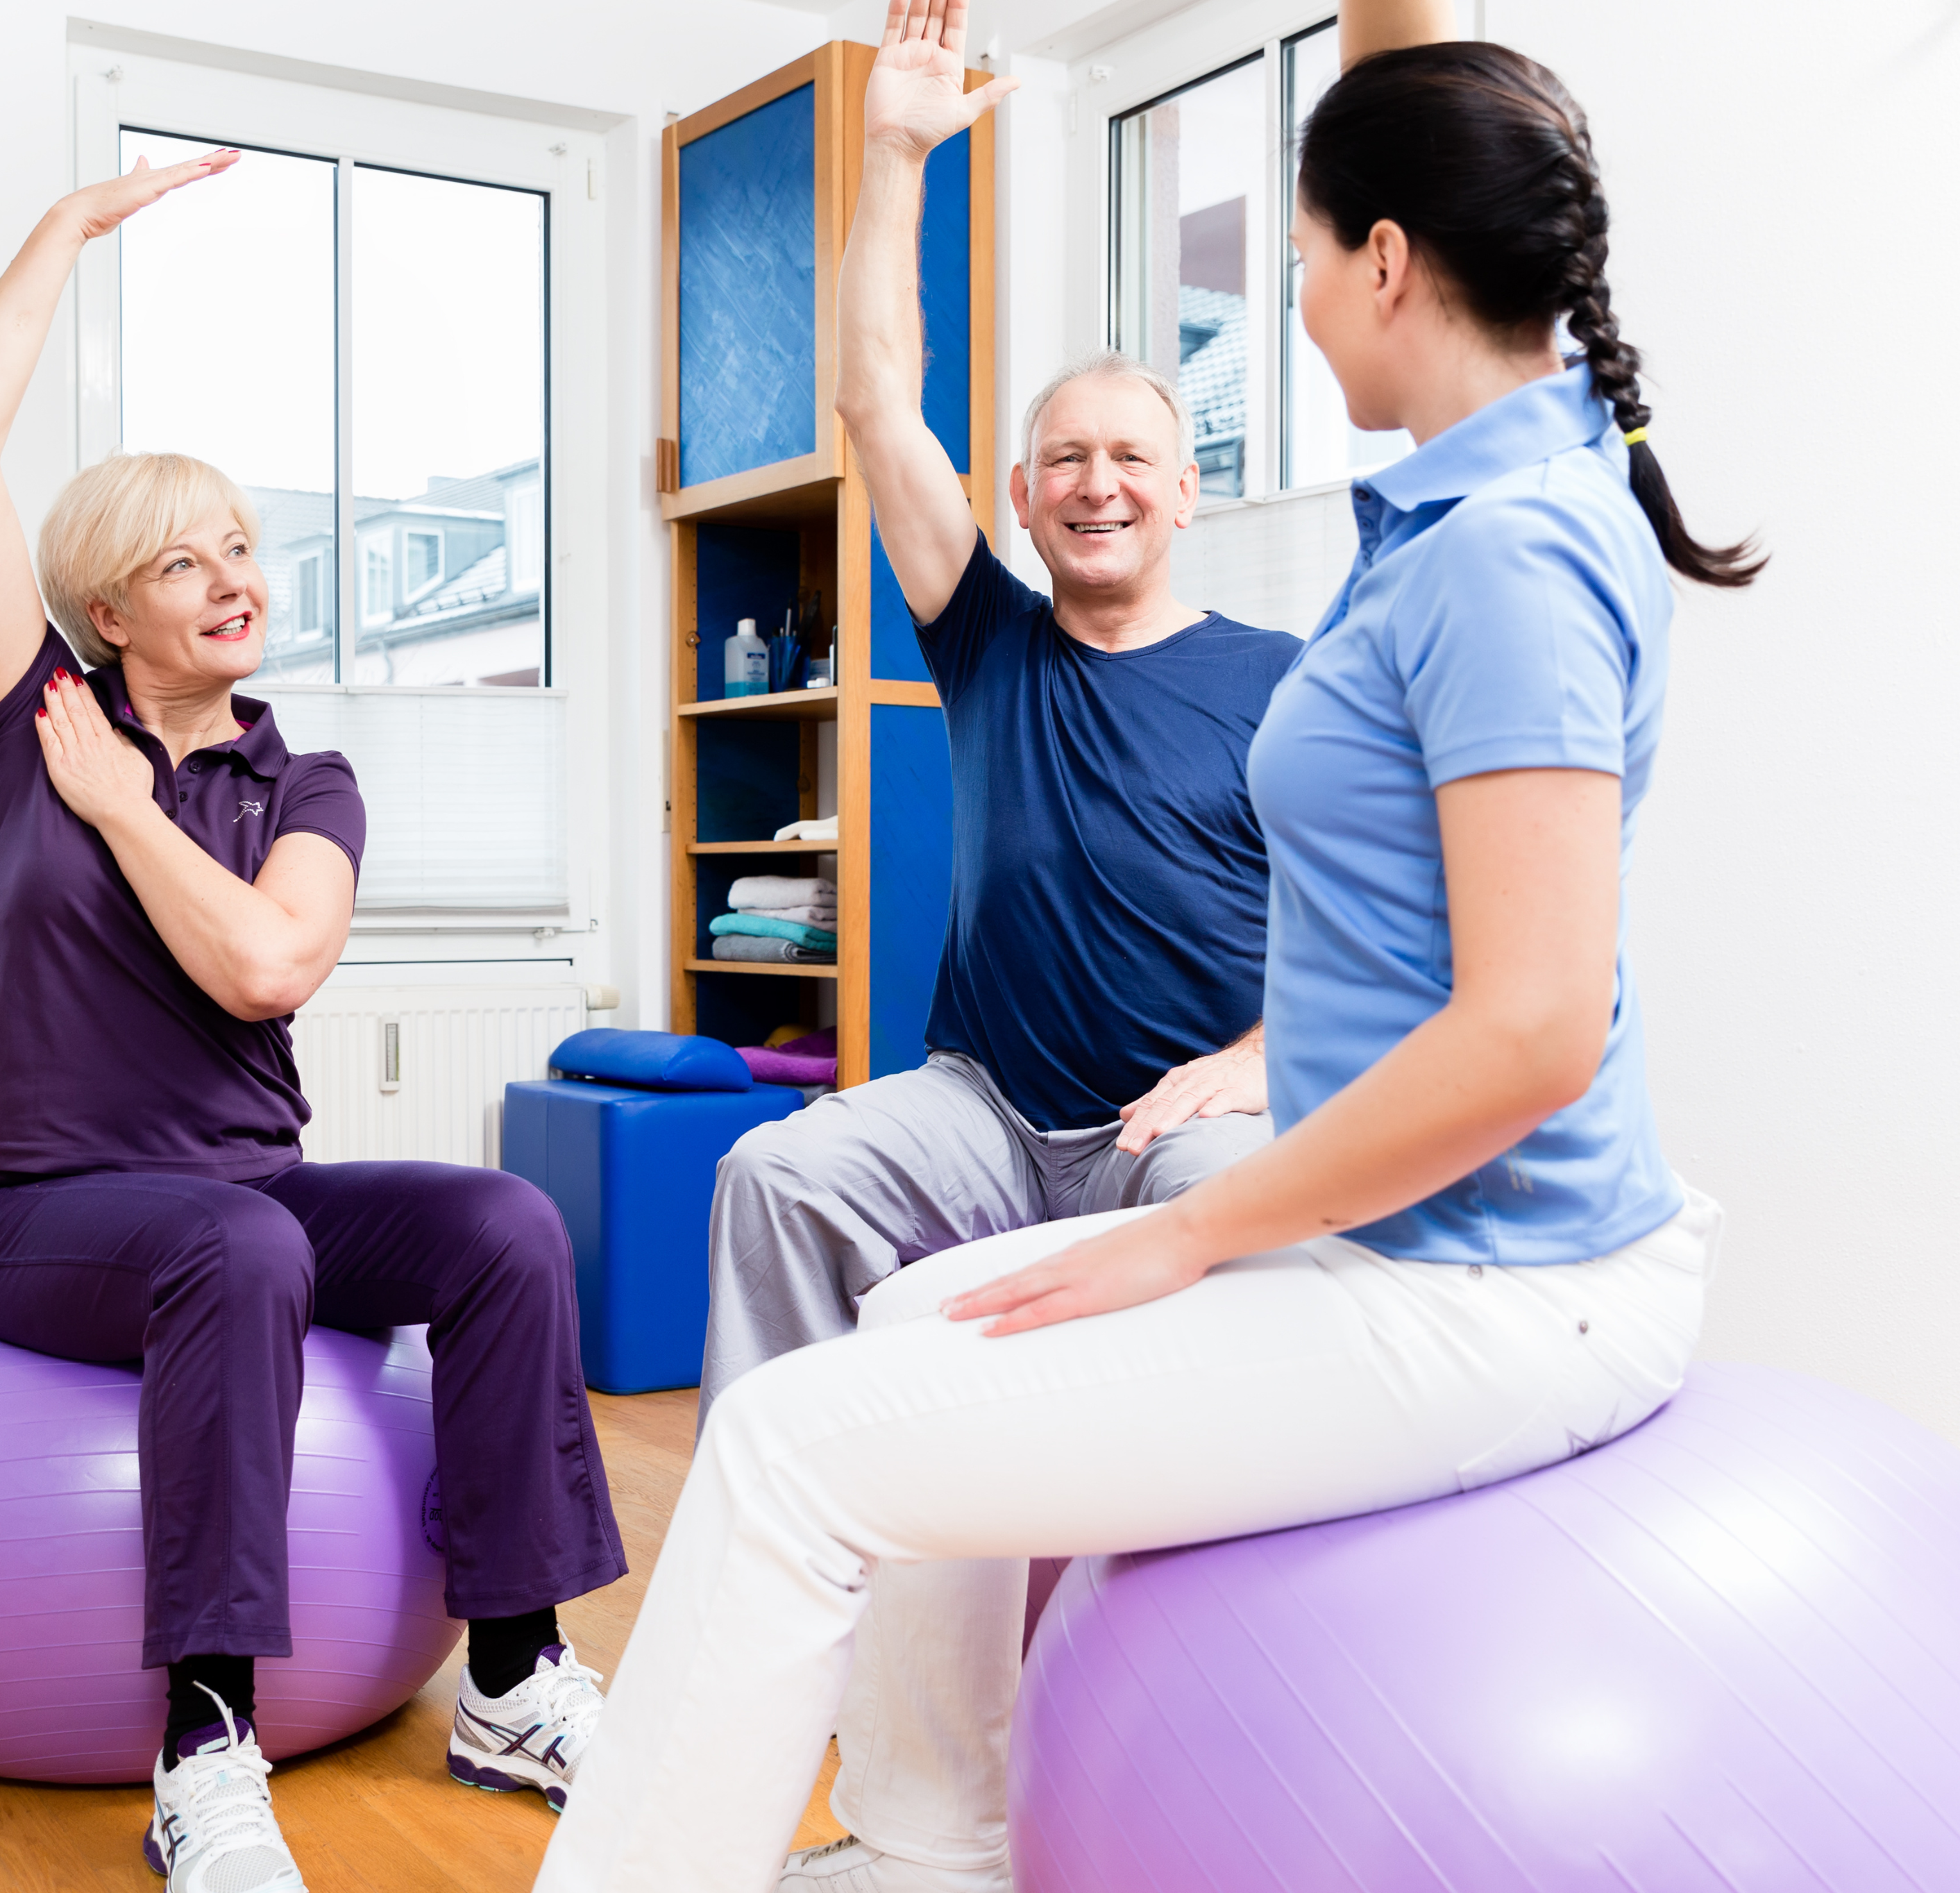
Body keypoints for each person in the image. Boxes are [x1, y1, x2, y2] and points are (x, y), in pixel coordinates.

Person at [541, 0, 1764, 1885]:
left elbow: (1525, 1027)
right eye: (1064, 457)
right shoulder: (1466, 501)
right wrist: (893, 157)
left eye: (1295, 254)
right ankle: (932, 1838)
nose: (1288, 297)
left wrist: (1192, 1217)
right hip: (1382, 1219)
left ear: (1382, 261)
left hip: (1484, 1269)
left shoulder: (1504, 545)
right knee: (907, 1314)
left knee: (800, 1448)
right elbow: (1415, 107)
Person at [0, 155, 627, 1893]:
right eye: (181, 557)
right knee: (230, 1247)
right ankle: (206, 1745)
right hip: (31, 1207)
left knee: (503, 1223)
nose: (233, 575)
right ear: (106, 613)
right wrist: (63, 229)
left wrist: (133, 813)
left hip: (244, 1189)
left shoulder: (302, 777)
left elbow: (265, 969)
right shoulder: (31, 723)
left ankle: (515, 1679)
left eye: (240, 542)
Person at [698, 6, 1310, 1426]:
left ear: (1185, 490)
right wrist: (897, 150)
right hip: (983, 1109)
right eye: (1066, 461)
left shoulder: (1283, 679)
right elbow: (874, 400)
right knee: (775, 1173)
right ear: (1022, 498)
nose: (1100, 482)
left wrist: (1255, 1063)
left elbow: (1390, 925)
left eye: (1132, 458)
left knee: (1254, 1214)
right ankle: (809, 1529)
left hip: (1183, 1122)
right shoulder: (988, 636)